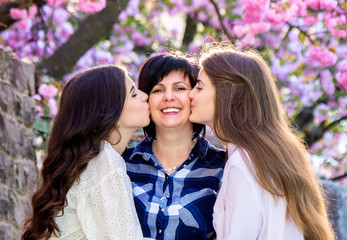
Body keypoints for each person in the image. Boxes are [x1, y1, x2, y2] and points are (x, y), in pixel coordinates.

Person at [188, 44, 335, 240]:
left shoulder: (243, 162)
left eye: (199, 87)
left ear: (229, 94)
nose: (191, 94)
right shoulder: (277, 153)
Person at [22, 65, 149, 240]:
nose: (145, 96)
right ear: (111, 113)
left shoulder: (87, 162)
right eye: (134, 94)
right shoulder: (103, 161)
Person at [122, 52, 225, 240]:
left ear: (195, 95)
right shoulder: (121, 165)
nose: (168, 97)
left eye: (180, 88)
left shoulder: (222, 168)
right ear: (146, 100)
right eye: (158, 90)